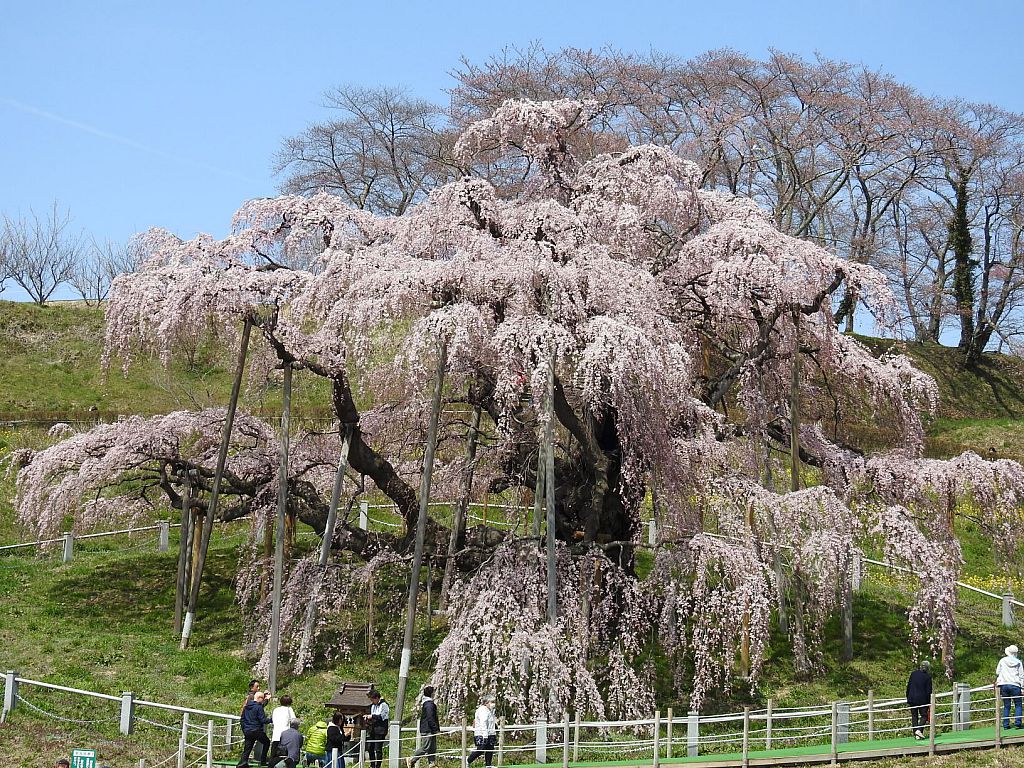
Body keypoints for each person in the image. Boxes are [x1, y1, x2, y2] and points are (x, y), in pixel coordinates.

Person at [407, 686, 441, 768]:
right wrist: (435, 728)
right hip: (428, 729)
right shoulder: (429, 705)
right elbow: (430, 717)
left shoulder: (428, 703)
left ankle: (432, 764)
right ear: (432, 694)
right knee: (426, 747)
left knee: (432, 748)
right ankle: (412, 759)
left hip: (429, 729)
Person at [238, 691, 273, 768]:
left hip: (247, 730)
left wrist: (244, 729)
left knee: (248, 747)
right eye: (263, 699)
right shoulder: (259, 707)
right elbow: (263, 720)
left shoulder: (247, 706)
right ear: (259, 698)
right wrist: (272, 720)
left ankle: (242, 763)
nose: (263, 701)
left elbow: (242, 719)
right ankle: (263, 761)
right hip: (256, 730)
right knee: (266, 742)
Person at [996, 644, 1024, 729]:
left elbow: (997, 672)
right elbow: (1021, 676)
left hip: (1004, 684)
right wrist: (1022, 687)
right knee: (1018, 704)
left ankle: (1006, 724)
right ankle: (1018, 723)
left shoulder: (1003, 660)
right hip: (1015, 685)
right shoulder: (1018, 662)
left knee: (1006, 705)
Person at [466, 694, 497, 767]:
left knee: (490, 749)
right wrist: (485, 735)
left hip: (491, 733)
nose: (493, 704)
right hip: (481, 734)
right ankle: (468, 760)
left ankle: (488, 765)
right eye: (492, 702)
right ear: (486, 703)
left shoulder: (491, 710)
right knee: (481, 749)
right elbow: (483, 722)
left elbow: (491, 722)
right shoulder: (482, 710)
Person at [905, 660, 932, 739]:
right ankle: (919, 730)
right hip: (923, 700)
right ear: (927, 668)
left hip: (912, 698)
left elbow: (909, 686)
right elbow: (928, 691)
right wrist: (929, 702)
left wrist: (908, 697)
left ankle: (916, 734)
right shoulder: (927, 677)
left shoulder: (913, 674)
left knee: (914, 716)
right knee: (924, 715)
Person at [366, 690, 390, 768]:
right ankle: (372, 765)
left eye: (372, 699)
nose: (372, 701)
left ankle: (378, 766)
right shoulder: (373, 706)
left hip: (381, 730)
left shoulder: (384, 705)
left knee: (378, 749)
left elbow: (382, 717)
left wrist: (372, 716)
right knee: (370, 748)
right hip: (373, 729)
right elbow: (373, 717)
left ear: (376, 698)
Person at [270, 695, 298, 761]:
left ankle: (271, 763)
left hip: (276, 734)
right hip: (285, 735)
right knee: (284, 755)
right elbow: (294, 721)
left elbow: (273, 720)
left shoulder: (276, 709)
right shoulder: (289, 709)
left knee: (274, 753)